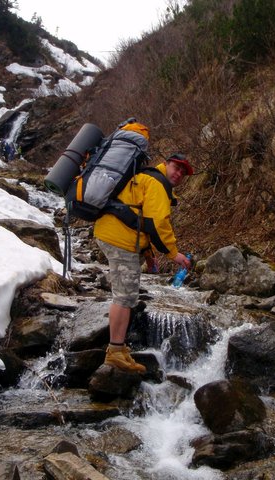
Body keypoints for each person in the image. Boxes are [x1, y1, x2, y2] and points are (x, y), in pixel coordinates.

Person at [94, 151, 194, 373]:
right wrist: (174, 254)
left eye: (183, 172)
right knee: (125, 295)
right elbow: (157, 223)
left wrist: (149, 256)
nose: (179, 173)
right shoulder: (157, 183)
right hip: (119, 238)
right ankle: (115, 352)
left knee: (126, 294)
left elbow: (140, 217)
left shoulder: (148, 178)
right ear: (165, 164)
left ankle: (118, 349)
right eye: (176, 167)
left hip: (115, 233)